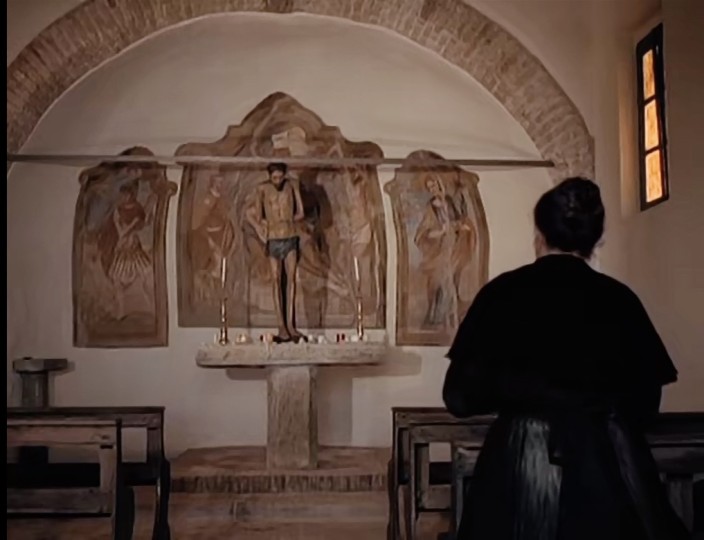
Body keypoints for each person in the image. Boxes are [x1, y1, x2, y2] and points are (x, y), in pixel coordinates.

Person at [443, 177, 690, 540]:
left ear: (539, 235)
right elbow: (645, 404)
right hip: (608, 470)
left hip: (519, 467)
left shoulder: (501, 294)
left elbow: (459, 398)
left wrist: (524, 396)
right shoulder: (619, 300)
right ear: (595, 240)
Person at [247, 162, 306, 343]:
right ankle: (281, 325)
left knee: (291, 280)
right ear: (269, 176)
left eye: (280, 177)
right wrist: (267, 226)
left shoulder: (292, 185)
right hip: (273, 238)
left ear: (285, 175)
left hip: (290, 236)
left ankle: (290, 325)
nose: (278, 181)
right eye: (274, 178)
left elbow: (301, 212)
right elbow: (257, 216)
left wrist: (287, 221)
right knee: (275, 279)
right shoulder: (262, 189)